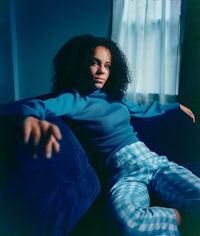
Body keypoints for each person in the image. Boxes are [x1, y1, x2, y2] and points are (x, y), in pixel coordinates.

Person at [20, 34, 199, 235]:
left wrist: (175, 106)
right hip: (123, 175)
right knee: (127, 224)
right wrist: (32, 118)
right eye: (94, 63)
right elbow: (37, 106)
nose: (101, 71)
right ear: (80, 65)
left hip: (153, 162)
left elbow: (142, 109)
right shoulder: (74, 99)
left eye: (107, 66)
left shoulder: (115, 97)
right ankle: (177, 217)